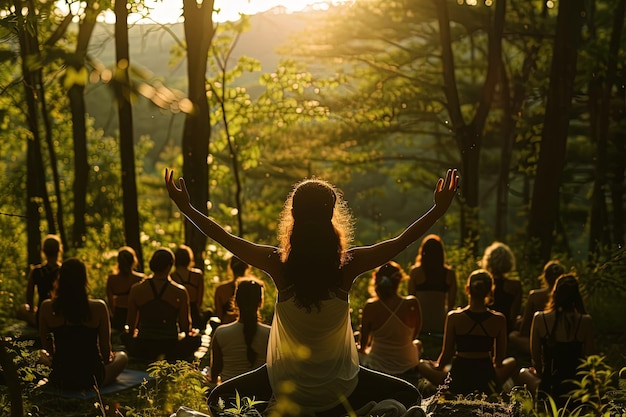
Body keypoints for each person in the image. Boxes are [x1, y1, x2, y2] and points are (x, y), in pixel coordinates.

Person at [165, 167, 458, 416]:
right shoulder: (347, 266)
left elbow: (224, 237)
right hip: (342, 387)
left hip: (284, 384)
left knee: (217, 398)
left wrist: (186, 208)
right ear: (331, 213)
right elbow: (401, 241)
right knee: (410, 395)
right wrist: (438, 209)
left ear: (293, 213)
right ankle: (369, 409)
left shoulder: (278, 265)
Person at [417, 270, 517, 396]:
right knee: (512, 361)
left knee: (422, 365)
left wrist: (436, 365)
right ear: (489, 291)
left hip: (458, 380)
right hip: (486, 379)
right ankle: (491, 387)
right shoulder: (499, 319)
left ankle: (450, 389)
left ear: (467, 289)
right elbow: (499, 360)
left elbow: (446, 354)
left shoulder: (453, 317)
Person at [38, 258, 128, 391]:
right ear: (84, 279)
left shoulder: (47, 307)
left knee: (39, 354)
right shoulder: (99, 307)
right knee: (122, 356)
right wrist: (108, 360)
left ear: (60, 278)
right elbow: (105, 349)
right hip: (92, 378)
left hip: (60, 377)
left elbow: (47, 347)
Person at [518, 274, 594, 408]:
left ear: (555, 293)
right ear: (576, 296)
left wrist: (541, 374)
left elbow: (535, 358)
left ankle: (540, 404)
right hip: (575, 388)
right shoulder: (585, 321)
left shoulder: (540, 318)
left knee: (523, 372)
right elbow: (589, 360)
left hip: (550, 387)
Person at [125, 248, 201, 362]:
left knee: (124, 337)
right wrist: (189, 334)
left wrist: (132, 335)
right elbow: (185, 326)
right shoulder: (180, 292)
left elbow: (131, 325)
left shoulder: (136, 289)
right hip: (170, 345)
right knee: (196, 340)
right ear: (170, 266)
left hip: (144, 344)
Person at [358, 261, 422, 386]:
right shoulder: (412, 304)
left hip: (378, 366)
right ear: (399, 280)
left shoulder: (371, 307)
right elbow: (414, 335)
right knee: (417, 343)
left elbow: (363, 345)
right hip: (408, 362)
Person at [209, 277, 271, 384]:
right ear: (260, 303)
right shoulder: (270, 334)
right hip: (261, 397)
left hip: (229, 394)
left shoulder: (221, 333)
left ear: (235, 302)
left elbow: (215, 372)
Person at [509, 260, 565, 353]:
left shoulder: (535, 296)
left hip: (540, 340)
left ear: (545, 277)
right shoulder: (567, 295)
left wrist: (519, 323)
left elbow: (525, 327)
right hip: (562, 340)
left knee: (512, 336)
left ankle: (537, 352)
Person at [408, 234, 457, 335]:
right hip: (440, 324)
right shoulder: (449, 274)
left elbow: (411, 300)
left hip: (420, 325)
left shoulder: (415, 272)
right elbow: (451, 303)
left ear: (423, 252)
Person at [20, 234, 63, 327]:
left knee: (22, 309)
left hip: (42, 315)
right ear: (59, 250)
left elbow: (29, 295)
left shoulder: (36, 271)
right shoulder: (64, 270)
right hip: (61, 314)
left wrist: (32, 309)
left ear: (43, 251)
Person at [479, 241, 522, 333]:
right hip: (505, 328)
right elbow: (513, 316)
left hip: (483, 328)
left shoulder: (482, 283)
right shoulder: (515, 286)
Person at [106, 247, 145, 332]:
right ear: (133, 261)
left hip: (119, 313)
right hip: (136, 314)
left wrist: (115, 313)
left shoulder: (112, 279)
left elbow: (110, 301)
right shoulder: (140, 279)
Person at [172, 244, 205, 329]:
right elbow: (199, 299)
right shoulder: (197, 275)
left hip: (178, 312)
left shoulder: (172, 276)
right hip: (194, 310)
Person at [214, 256, 250, 325]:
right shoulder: (254, 287)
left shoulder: (220, 289)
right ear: (246, 267)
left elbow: (219, 314)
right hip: (249, 328)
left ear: (230, 267)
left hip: (227, 327)